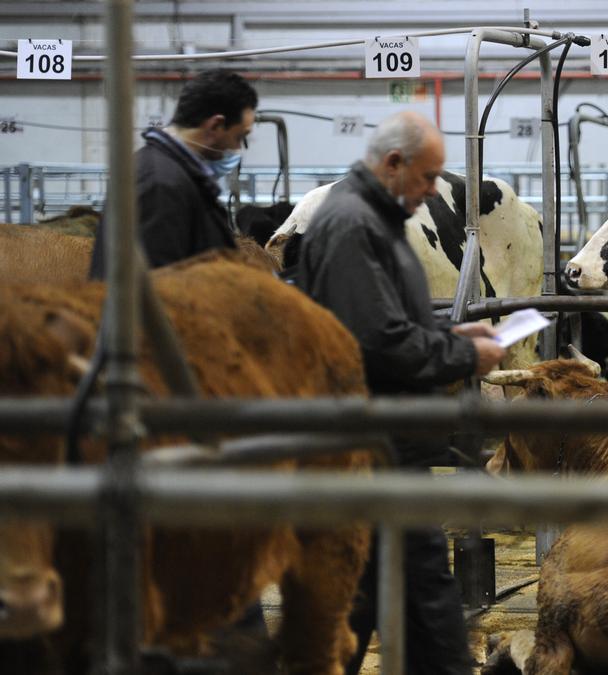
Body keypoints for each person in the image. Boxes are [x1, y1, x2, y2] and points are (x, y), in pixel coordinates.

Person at [295, 111, 506, 675]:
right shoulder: (353, 225)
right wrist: (464, 356)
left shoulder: (372, 220)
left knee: (372, 604)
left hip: (385, 450)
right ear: (393, 164)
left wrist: (448, 334)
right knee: (423, 606)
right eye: (428, 177)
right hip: (373, 451)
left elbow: (387, 322)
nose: (435, 190)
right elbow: (376, 341)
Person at [89, 68, 258, 277]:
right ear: (215, 126)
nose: (237, 147)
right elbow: (160, 290)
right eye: (239, 136)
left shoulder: (166, 171)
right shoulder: (161, 184)